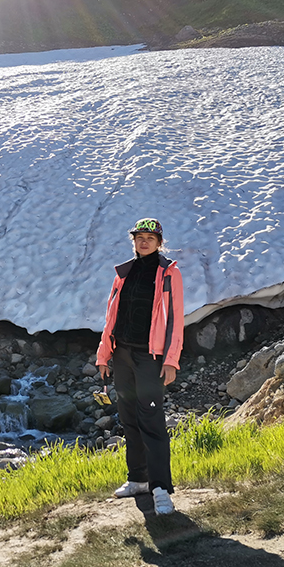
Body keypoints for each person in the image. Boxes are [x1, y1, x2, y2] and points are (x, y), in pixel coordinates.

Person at [96, 217, 184, 515]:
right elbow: (112, 316)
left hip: (151, 357)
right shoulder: (124, 273)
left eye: (150, 237)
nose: (143, 241)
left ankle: (161, 488)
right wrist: (103, 355)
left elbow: (174, 320)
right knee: (129, 417)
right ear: (133, 241)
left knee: (152, 421)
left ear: (160, 242)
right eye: (139, 237)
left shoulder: (168, 274)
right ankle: (138, 479)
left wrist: (171, 360)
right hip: (121, 353)